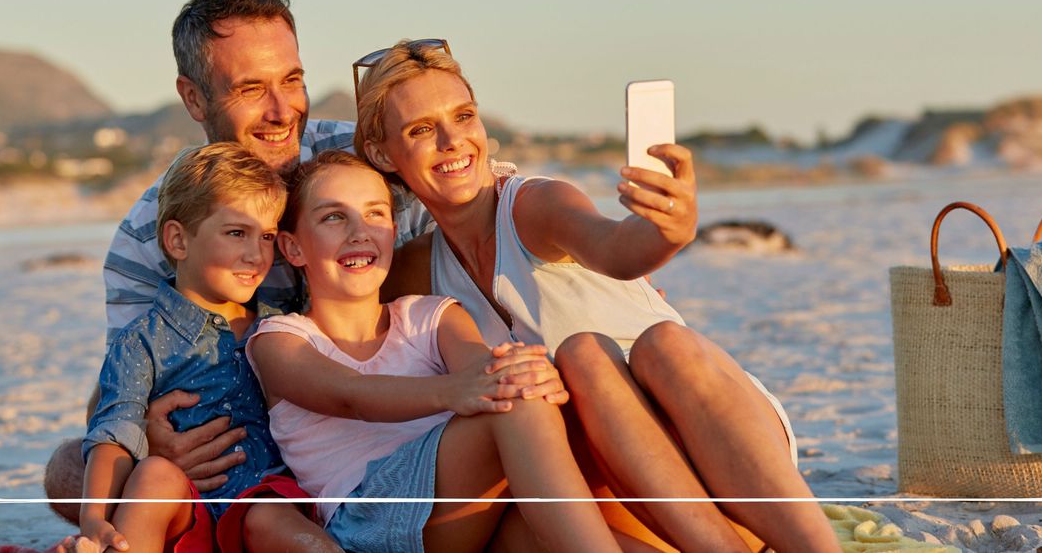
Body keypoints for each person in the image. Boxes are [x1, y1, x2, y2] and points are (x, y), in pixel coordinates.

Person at [353, 40, 842, 553]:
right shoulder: (413, 270)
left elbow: (617, 247)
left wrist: (668, 231)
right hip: (631, 506)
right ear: (384, 154)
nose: (453, 141)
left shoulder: (535, 204)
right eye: (422, 129)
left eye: (464, 116)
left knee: (627, 348)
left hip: (728, 463)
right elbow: (343, 341)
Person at [44, 0, 424, 545]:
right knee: (67, 472)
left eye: (292, 80)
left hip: (375, 418)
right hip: (242, 452)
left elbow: (476, 195)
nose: (282, 110)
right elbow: (122, 378)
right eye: (251, 88)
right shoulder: (149, 232)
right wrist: (155, 440)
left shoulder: (359, 166)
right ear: (194, 98)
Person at [247, 151, 623, 553]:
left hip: (462, 514)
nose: (359, 232)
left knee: (519, 396)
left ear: (393, 230)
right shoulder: (279, 340)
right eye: (333, 217)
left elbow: (484, 372)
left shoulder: (430, 315)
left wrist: (528, 374)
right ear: (293, 247)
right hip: (368, 517)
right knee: (512, 403)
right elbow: (351, 394)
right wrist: (454, 390)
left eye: (375, 214)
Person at [77, 142, 335, 553]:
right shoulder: (141, 341)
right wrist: (92, 517)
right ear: (178, 241)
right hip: (184, 510)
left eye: (267, 236)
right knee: (154, 475)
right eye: (236, 233)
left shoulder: (283, 328)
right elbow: (115, 431)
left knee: (269, 513)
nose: (256, 254)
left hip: (265, 500)